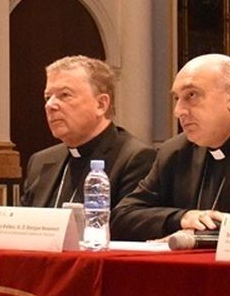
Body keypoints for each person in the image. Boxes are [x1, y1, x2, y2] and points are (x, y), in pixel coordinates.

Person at [112, 53, 230, 240]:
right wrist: (182, 218)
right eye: (176, 98)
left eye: (191, 94)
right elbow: (122, 217)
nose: (178, 111)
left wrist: (198, 236)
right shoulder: (175, 151)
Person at [20, 56, 155, 210]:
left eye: (64, 95)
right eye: (47, 97)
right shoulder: (40, 161)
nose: (50, 105)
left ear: (101, 104)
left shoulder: (134, 159)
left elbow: (125, 225)